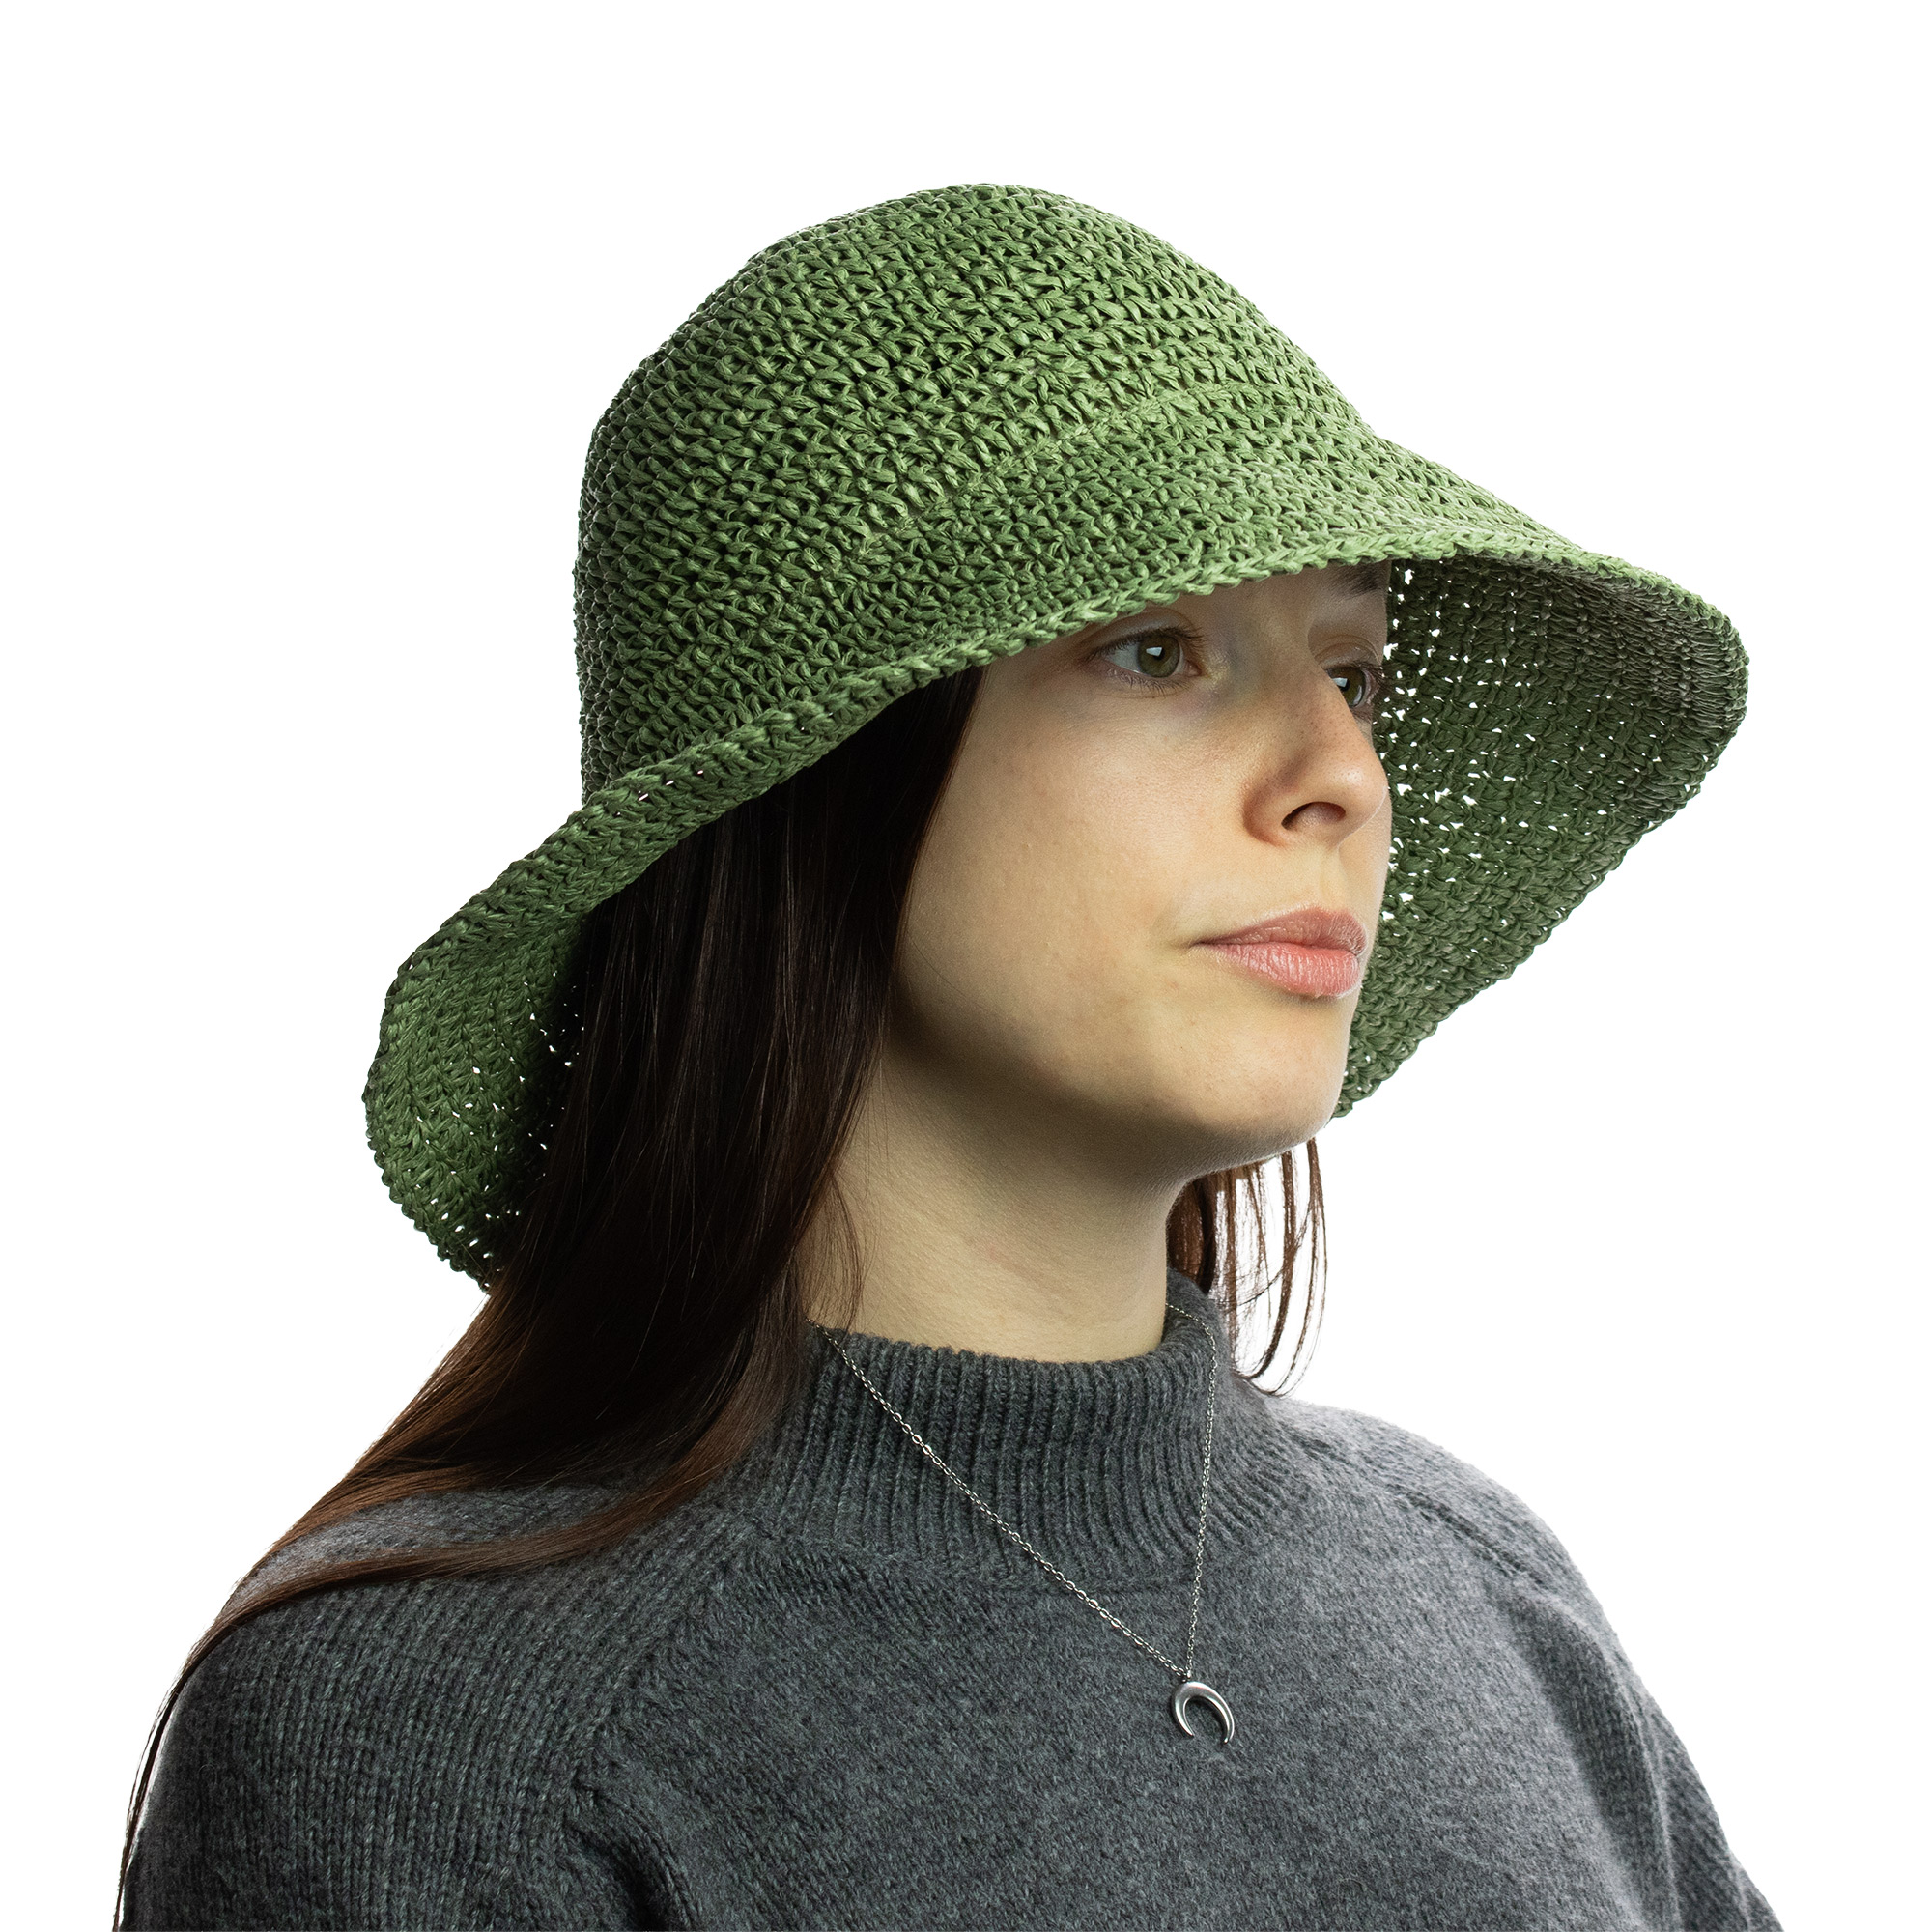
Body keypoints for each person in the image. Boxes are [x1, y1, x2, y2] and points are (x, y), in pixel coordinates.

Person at [121, 184, 1776, 1929]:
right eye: (1158, 651)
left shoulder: (1488, 1596)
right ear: (826, 771)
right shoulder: (437, 1739)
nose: (1341, 779)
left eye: (1352, 673)